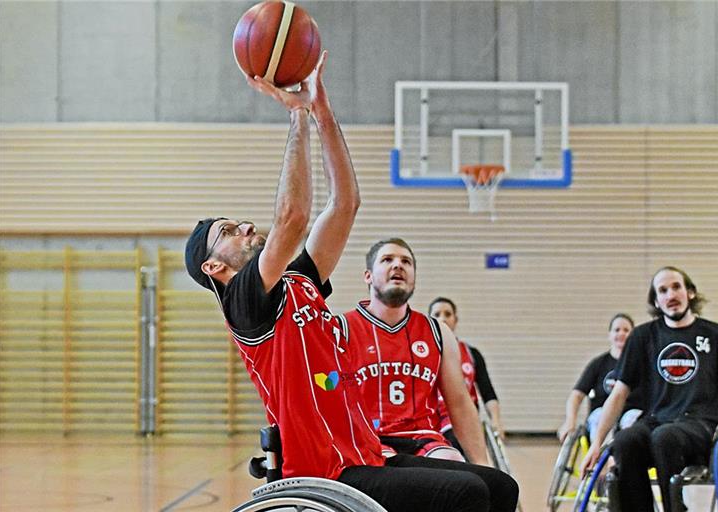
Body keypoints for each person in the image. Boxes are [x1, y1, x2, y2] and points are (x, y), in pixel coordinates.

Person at [184, 54, 518, 512]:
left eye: (239, 222)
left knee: (500, 487)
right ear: (213, 268)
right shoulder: (242, 301)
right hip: (325, 472)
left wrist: (321, 113)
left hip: (365, 453)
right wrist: (295, 114)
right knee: (467, 495)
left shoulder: (298, 279)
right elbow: (294, 216)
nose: (244, 228)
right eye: (228, 232)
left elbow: (345, 204)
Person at [581, 267, 718, 512]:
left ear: (690, 293)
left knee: (665, 437)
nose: (670, 294)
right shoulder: (642, 337)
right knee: (625, 440)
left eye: (676, 287)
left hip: (702, 424)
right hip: (657, 420)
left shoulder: (716, 336)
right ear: (656, 301)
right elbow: (618, 395)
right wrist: (597, 442)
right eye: (662, 290)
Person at [341, 240, 500, 467]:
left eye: (406, 261)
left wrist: (483, 464)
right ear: (368, 276)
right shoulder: (342, 329)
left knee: (473, 475)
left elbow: (460, 402)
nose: (398, 265)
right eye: (387, 260)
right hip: (368, 439)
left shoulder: (437, 332)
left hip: (424, 438)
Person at [428, 297, 505, 454]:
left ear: (455, 320)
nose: (442, 318)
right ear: (429, 321)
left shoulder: (471, 354)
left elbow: (488, 393)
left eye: (448, 314)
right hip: (433, 423)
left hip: (464, 422)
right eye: (437, 314)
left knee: (460, 441)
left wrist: (496, 421)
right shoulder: (421, 354)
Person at [557, 313, 643, 444]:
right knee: (601, 417)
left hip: (629, 413)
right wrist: (570, 420)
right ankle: (602, 457)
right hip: (602, 413)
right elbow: (576, 396)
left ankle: (625, 459)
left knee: (633, 421)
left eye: (626, 330)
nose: (621, 333)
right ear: (610, 335)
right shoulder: (598, 364)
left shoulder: (640, 364)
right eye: (617, 330)